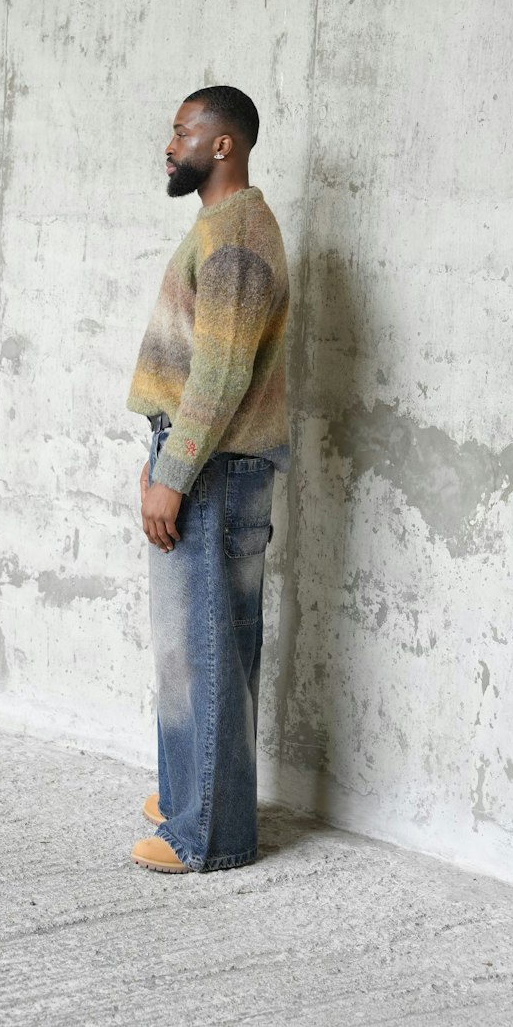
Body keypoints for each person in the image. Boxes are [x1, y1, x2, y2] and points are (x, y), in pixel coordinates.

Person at [126, 85, 290, 873]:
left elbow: (221, 376)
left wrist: (174, 472)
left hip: (214, 470)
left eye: (183, 131)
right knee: (201, 648)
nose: (170, 142)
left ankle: (207, 835)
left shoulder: (235, 237)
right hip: (209, 464)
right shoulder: (224, 225)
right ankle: (191, 790)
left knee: (204, 653)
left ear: (221, 146)